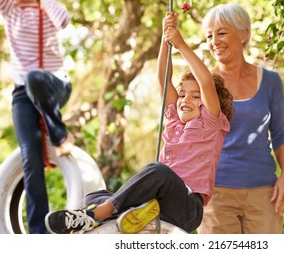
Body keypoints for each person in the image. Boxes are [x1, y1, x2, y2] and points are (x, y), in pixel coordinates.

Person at [44, 12, 234, 234]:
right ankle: (128, 214)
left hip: (187, 208)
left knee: (158, 171)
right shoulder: (174, 121)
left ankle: (98, 215)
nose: (185, 100)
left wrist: (180, 43)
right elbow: (163, 78)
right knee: (95, 195)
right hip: (159, 203)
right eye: (182, 94)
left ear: (209, 102)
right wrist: (166, 40)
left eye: (195, 96)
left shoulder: (210, 125)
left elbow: (206, 82)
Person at [197, 4, 284, 234]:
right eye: (209, 36)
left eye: (221, 33)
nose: (214, 41)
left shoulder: (270, 81)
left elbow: (280, 133)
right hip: (215, 194)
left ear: (244, 34)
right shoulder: (204, 83)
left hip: (264, 193)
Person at [0, 0, 73, 233]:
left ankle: (58, 133)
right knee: (30, 156)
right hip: (23, 96)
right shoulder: (9, 9)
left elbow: (63, 21)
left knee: (34, 77)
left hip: (54, 86)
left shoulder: (49, 6)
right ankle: (39, 232)